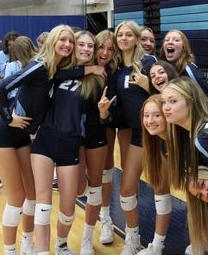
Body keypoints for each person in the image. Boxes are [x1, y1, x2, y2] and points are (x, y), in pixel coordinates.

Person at [0, 25, 86, 255]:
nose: (68, 45)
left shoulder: (51, 69)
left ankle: (28, 243)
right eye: (63, 40)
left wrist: (91, 68)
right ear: (52, 41)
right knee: (16, 197)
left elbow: (65, 74)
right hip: (4, 134)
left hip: (23, 136)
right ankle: (10, 250)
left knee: (32, 196)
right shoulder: (39, 65)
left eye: (70, 41)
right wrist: (8, 118)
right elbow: (1, 89)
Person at [31, 30, 105, 255]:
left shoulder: (96, 81)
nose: (85, 49)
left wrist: (103, 115)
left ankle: (61, 244)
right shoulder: (55, 70)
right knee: (43, 204)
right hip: (45, 140)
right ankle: (42, 251)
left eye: (90, 46)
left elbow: (96, 120)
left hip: (71, 144)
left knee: (68, 206)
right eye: (80, 44)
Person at [161, 76, 208, 255]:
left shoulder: (203, 140)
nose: (166, 107)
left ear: (191, 101)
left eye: (173, 101)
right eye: (164, 101)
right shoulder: (202, 129)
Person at [109, 21, 156, 255]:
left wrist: (148, 85)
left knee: (162, 187)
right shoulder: (118, 68)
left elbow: (167, 93)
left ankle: (159, 243)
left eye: (129, 34)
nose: (124, 38)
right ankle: (133, 239)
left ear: (138, 38)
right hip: (135, 134)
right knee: (127, 189)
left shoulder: (148, 62)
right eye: (121, 35)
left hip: (156, 133)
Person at [79, 30, 117, 255]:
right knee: (74, 188)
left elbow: (110, 112)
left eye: (110, 49)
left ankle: (101, 222)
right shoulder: (77, 69)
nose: (104, 52)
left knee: (100, 179)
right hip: (73, 135)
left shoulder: (110, 73)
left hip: (99, 131)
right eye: (100, 47)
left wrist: (104, 115)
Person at [137, 94, 172, 255]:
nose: (150, 121)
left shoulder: (186, 139)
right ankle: (157, 247)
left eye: (157, 115)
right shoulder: (158, 141)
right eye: (146, 115)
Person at [160, 29, 208, 104]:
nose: (170, 42)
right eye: (167, 40)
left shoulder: (190, 71)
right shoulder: (162, 69)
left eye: (176, 40)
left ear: (183, 48)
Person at [4, 36, 38, 106]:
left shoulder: (11, 65)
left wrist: (3, 107)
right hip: (35, 100)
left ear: (16, 50)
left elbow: (4, 87)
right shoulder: (38, 63)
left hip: (15, 100)